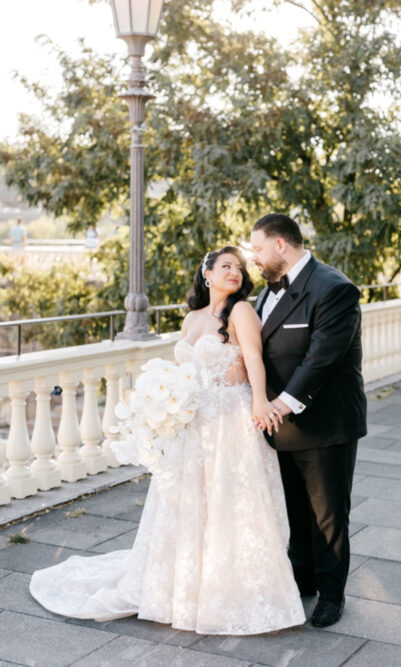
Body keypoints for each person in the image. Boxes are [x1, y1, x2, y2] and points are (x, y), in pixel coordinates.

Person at [30, 247, 305, 635]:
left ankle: (231, 589)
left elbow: (255, 360)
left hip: (231, 419)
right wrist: (163, 408)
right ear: (206, 274)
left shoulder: (241, 311)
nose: (235, 272)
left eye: (240, 268)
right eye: (226, 266)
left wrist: (260, 401)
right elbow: (182, 373)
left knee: (231, 500)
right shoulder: (192, 318)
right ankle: (185, 586)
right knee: (189, 502)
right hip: (195, 423)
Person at [249, 213, 367, 629]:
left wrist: (279, 404)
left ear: (281, 245)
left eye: (258, 248)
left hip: (324, 424)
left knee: (329, 517)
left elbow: (322, 358)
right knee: (295, 512)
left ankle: (332, 595)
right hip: (277, 425)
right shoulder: (265, 296)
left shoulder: (334, 288)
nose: (254, 258)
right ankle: (303, 581)